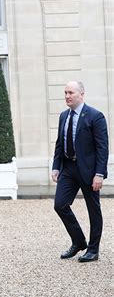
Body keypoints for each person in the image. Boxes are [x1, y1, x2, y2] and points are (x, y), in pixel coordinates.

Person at [52, 81, 108, 262]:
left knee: (93, 210)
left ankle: (93, 250)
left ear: (82, 95)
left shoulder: (95, 116)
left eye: (71, 93)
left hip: (89, 171)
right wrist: (55, 166)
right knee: (59, 205)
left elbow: (102, 148)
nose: (67, 96)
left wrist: (99, 174)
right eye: (65, 93)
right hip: (68, 168)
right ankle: (78, 242)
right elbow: (59, 143)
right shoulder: (63, 116)